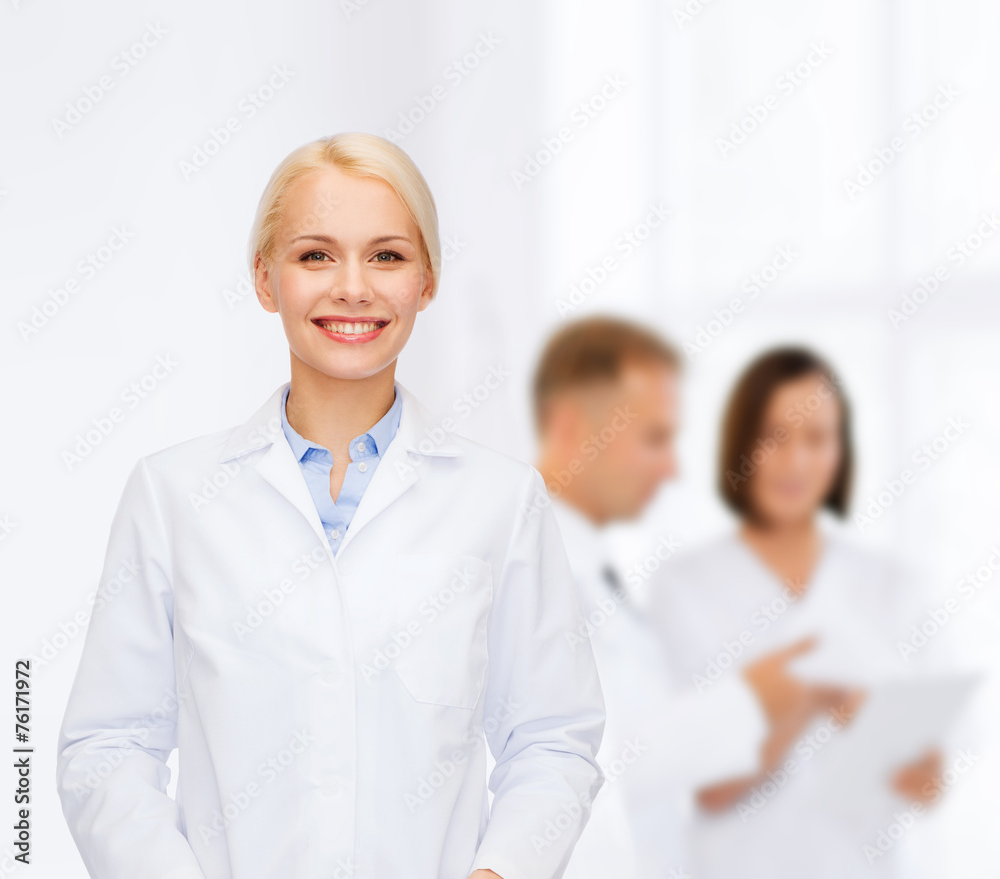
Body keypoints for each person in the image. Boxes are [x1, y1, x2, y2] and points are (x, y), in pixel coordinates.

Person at [55, 133, 606, 879]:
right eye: (315, 255)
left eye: (387, 255)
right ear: (264, 279)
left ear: (428, 280)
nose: (354, 287)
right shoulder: (173, 495)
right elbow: (108, 747)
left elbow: (552, 738)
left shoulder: (500, 502)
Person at [529, 318, 854, 876]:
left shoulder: (591, 569)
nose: (673, 467)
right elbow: (597, 757)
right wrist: (755, 701)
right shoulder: (522, 570)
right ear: (570, 429)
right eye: (654, 439)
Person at [644, 345, 943, 878]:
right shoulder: (684, 587)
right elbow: (705, 787)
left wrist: (871, 727)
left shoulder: (890, 586)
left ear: (841, 451)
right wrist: (809, 697)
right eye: (773, 437)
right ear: (742, 443)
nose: (795, 461)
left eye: (816, 439)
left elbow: (925, 784)